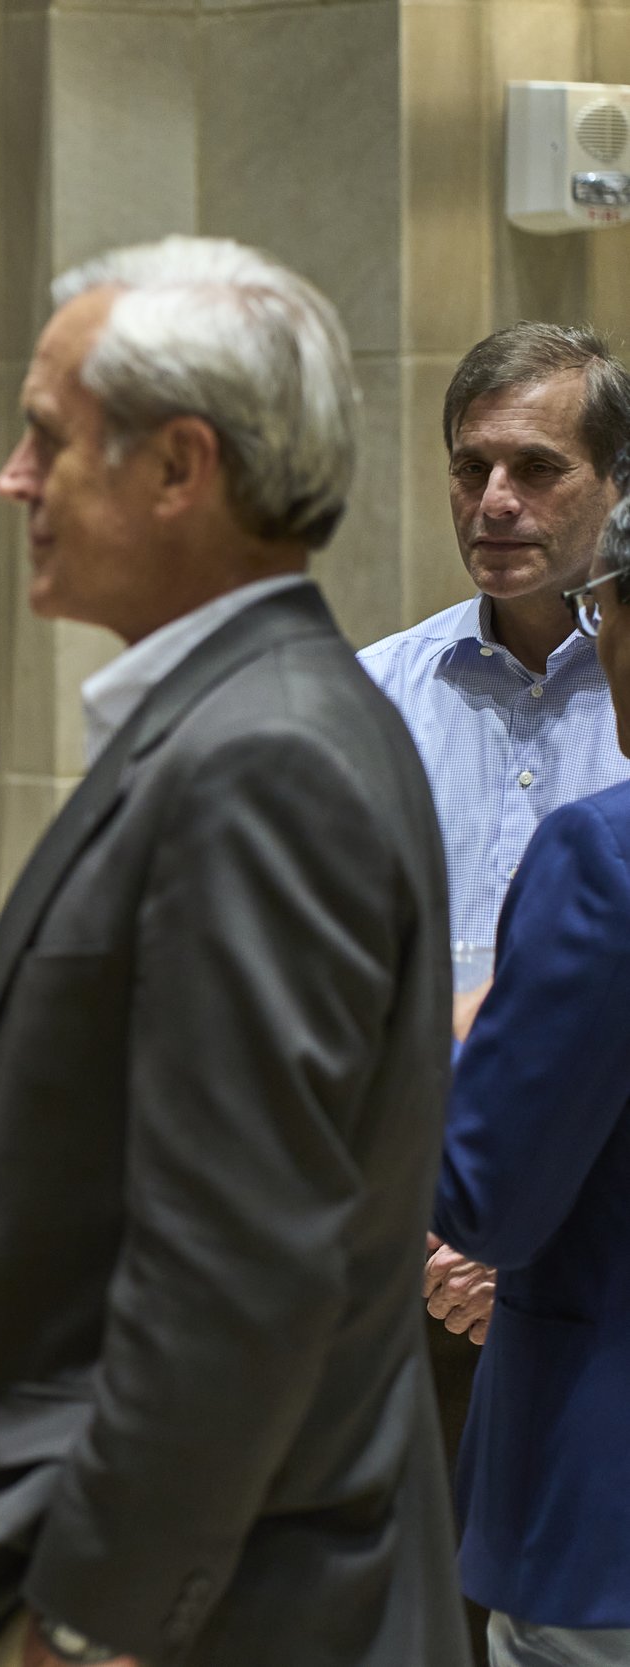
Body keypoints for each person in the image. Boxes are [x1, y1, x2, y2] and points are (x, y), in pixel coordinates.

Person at [0, 237, 468, 1667]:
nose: (13, 478)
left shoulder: (263, 753)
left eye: (47, 437)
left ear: (180, 468)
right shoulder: (266, 708)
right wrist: (3, 1038)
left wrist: (89, 1625)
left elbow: (239, 1270)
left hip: (223, 1604)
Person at [357, 329, 630, 1643]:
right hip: (393, 1257)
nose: (496, 501)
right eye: (470, 467)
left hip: (591, 1267)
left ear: (617, 483)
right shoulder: (375, 694)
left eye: (537, 465)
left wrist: (504, 1231)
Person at [432, 497, 630, 1667]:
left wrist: (444, 1041)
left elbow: (487, 1193)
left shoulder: (603, 856)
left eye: (602, 607)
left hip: (604, 1496)